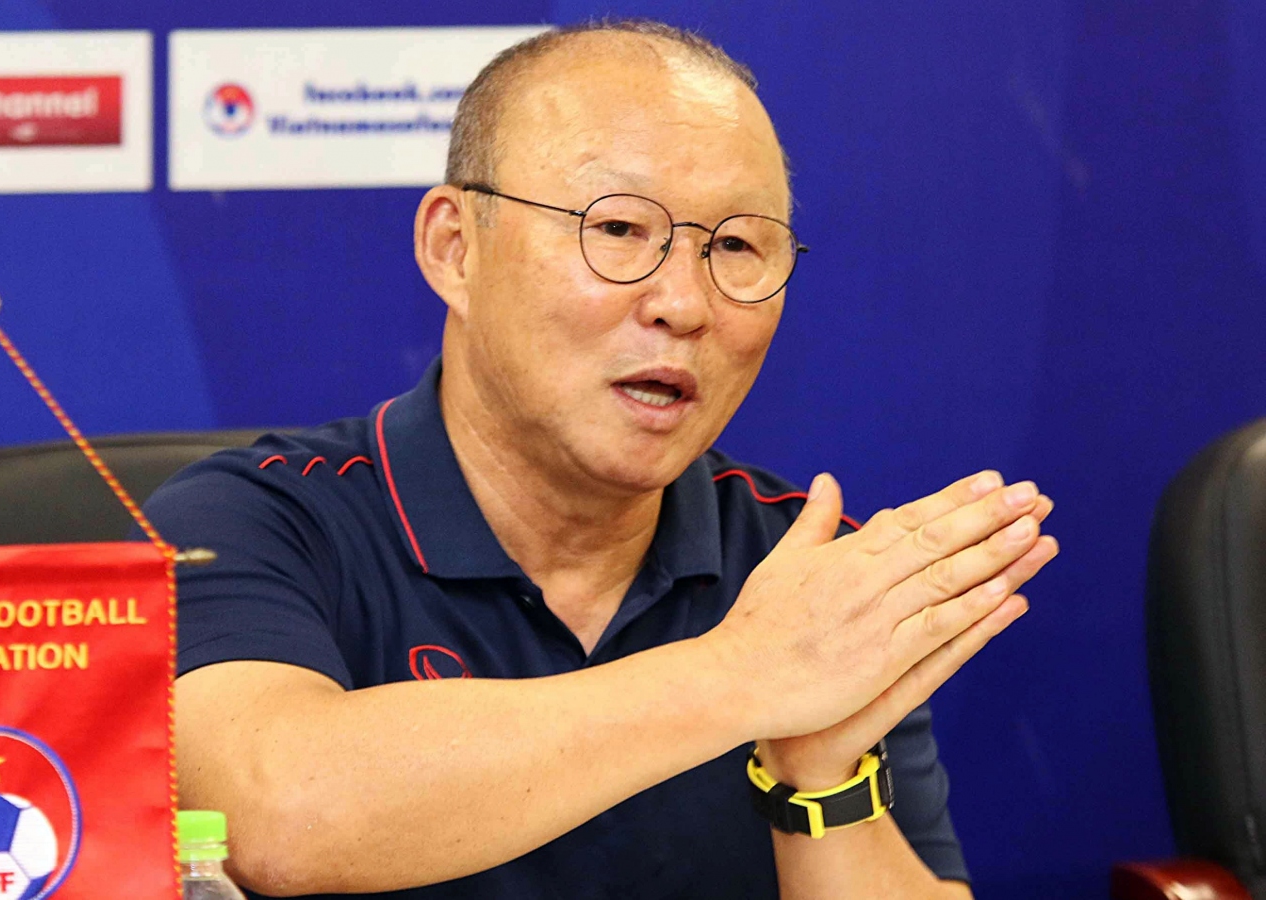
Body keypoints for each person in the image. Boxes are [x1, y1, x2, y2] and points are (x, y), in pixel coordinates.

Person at [144, 18, 1058, 899]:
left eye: (736, 246)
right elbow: (275, 816)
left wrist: (819, 775)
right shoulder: (254, 522)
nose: (683, 304)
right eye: (618, 230)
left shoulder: (806, 581)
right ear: (454, 249)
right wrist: (743, 676)